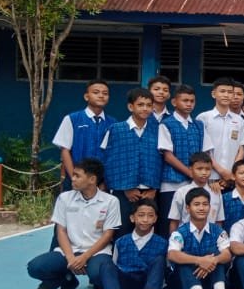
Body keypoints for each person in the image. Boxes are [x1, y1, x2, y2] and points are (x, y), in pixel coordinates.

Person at [27, 158, 119, 289]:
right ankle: (67, 281)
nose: (73, 178)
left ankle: (98, 284)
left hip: (97, 252)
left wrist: (84, 257)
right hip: (69, 251)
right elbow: (61, 231)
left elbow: (108, 235)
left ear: (92, 179)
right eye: (73, 175)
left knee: (98, 273)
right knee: (35, 267)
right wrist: (71, 258)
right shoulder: (64, 198)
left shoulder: (111, 201)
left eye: (77, 176)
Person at [100, 88, 162, 237]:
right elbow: (108, 161)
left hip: (150, 192)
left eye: (149, 105)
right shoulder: (115, 129)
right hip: (123, 193)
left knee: (148, 232)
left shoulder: (159, 130)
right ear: (130, 106)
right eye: (140, 104)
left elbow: (162, 161)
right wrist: (125, 188)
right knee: (122, 231)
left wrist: (154, 188)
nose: (145, 108)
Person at [167, 187, 235, 289]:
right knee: (183, 257)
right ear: (188, 208)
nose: (201, 208)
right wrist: (200, 261)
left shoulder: (218, 231)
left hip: (209, 285)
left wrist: (212, 260)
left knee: (217, 255)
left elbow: (227, 254)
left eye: (205, 204)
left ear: (210, 207)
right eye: (196, 204)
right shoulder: (179, 232)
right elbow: (172, 254)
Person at [99, 199, 168, 289]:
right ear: (132, 218)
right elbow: (115, 265)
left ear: (155, 219)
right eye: (141, 215)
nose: (145, 219)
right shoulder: (120, 242)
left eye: (150, 216)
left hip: (148, 284)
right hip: (126, 285)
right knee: (106, 263)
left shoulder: (163, 243)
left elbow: (163, 272)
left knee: (160, 260)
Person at [157, 84, 206, 232]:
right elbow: (168, 155)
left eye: (192, 101)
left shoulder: (198, 125)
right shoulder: (166, 124)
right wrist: (190, 172)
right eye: (185, 100)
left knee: (192, 223)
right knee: (170, 223)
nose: (189, 104)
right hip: (171, 183)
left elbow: (204, 154)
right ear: (174, 102)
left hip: (194, 183)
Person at [52, 80, 114, 188]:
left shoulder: (113, 123)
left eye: (105, 93)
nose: (101, 96)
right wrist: (74, 178)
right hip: (75, 181)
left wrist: (105, 182)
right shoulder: (72, 119)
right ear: (86, 96)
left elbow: (113, 155)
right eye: (96, 92)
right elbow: (65, 150)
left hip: (103, 184)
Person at [196, 77, 244, 187]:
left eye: (230, 92)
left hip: (231, 177)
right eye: (222, 91)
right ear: (213, 94)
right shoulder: (203, 118)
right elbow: (203, 149)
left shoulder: (239, 120)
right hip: (209, 176)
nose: (226, 95)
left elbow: (241, 149)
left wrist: (232, 172)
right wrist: (222, 171)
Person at [167, 152, 224, 233]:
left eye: (207, 169)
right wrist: (173, 239)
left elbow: (218, 221)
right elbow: (174, 221)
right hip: (186, 236)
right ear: (191, 169)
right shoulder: (181, 192)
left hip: (210, 237)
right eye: (199, 169)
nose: (204, 172)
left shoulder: (216, 192)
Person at [221, 160, 244, 232]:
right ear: (233, 176)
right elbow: (219, 223)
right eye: (241, 173)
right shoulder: (224, 198)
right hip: (229, 237)